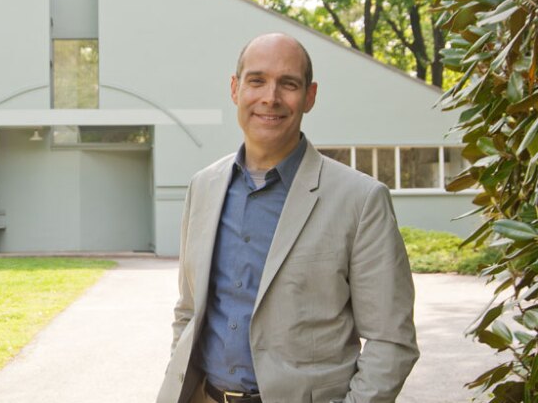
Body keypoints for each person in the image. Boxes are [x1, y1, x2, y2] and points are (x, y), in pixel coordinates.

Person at [157, 33, 418, 403]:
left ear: (309, 97)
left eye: (288, 84)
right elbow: (188, 311)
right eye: (257, 80)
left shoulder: (361, 200)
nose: (270, 98)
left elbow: (392, 340)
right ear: (235, 89)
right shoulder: (203, 187)